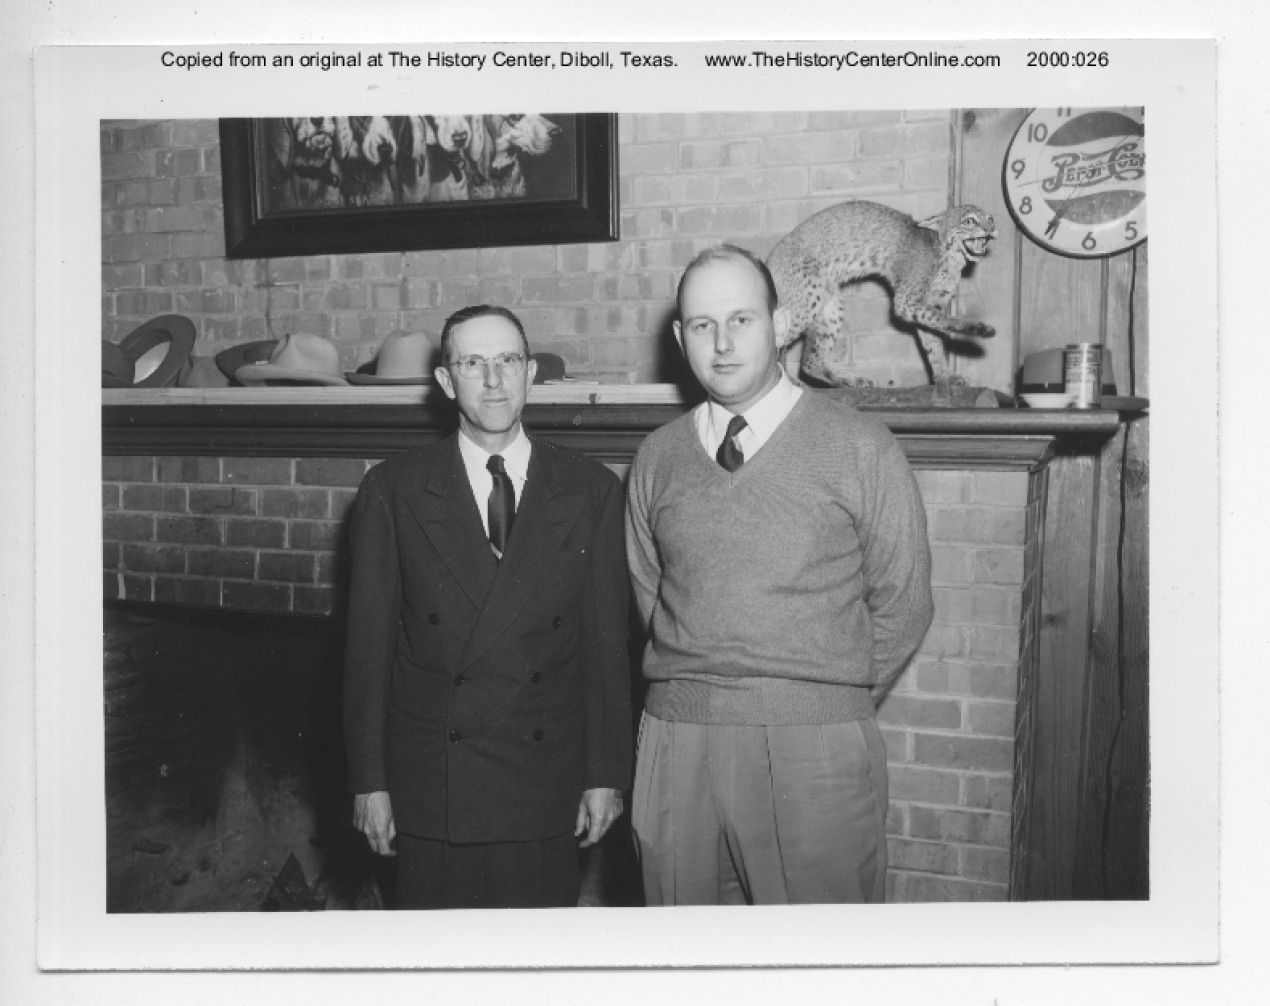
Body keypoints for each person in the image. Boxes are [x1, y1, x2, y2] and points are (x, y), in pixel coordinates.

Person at [625, 245, 934, 905]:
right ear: (680, 339)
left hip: (814, 747)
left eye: (742, 319)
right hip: (676, 740)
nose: (722, 343)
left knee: (817, 955)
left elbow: (903, 602)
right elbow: (651, 594)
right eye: (702, 325)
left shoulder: (861, 446)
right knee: (680, 953)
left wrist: (823, 697)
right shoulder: (656, 457)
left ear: (782, 322)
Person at [344, 304, 632, 909]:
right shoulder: (393, 490)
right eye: (473, 363)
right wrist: (368, 783)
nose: (494, 380)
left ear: (531, 373)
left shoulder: (591, 490)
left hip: (545, 785)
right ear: (446, 381)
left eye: (508, 361)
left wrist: (605, 775)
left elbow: (606, 651)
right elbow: (367, 653)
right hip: (433, 788)